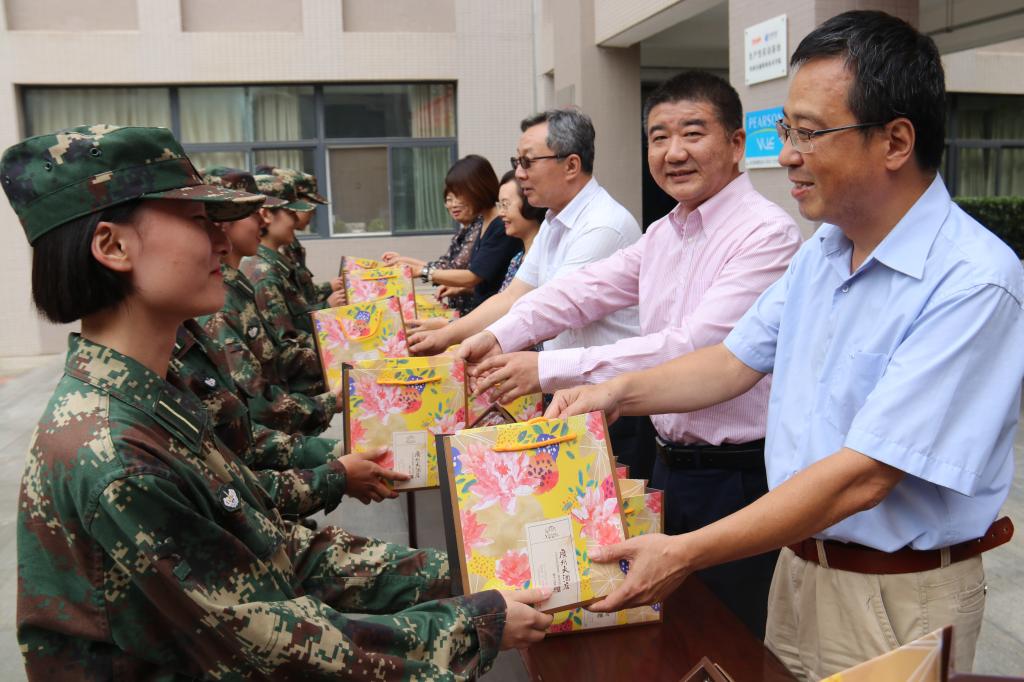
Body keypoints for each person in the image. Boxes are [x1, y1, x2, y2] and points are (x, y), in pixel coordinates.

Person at [546, 11, 1022, 679]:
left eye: (809, 133)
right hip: (799, 571)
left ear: (895, 141)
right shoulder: (823, 251)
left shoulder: (973, 281)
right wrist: (613, 393)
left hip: (893, 595)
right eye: (787, 131)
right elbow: (730, 362)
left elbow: (864, 476)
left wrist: (686, 552)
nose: (788, 155)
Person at [5, 124, 553, 680]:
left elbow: (274, 551)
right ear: (113, 246)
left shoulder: (153, 399)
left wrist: (467, 569)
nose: (223, 243)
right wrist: (469, 624)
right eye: (198, 222)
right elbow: (268, 645)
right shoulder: (117, 457)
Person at [465, 71, 803, 638]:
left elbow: (696, 346)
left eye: (692, 133)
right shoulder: (665, 231)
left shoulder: (767, 233)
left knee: (731, 635)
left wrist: (547, 367)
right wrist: (503, 335)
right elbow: (584, 289)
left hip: (738, 477)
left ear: (737, 143)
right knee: (669, 631)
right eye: (658, 137)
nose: (673, 152)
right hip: (668, 462)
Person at [408, 108, 644, 460]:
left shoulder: (602, 226)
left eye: (528, 162)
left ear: (571, 165)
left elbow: (555, 308)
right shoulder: (553, 220)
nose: (519, 174)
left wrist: (487, 340)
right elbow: (515, 295)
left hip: (609, 397)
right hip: (567, 387)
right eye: (516, 162)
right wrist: (449, 335)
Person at [199, 167, 340, 436]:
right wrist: (329, 400)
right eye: (252, 213)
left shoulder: (237, 284)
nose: (261, 223)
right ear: (221, 222)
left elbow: (276, 357)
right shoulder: (223, 298)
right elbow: (259, 406)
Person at [409, 170, 545, 334]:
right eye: (449, 199)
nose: (501, 213)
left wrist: (447, 327)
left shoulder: (543, 258)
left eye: (506, 205)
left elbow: (477, 280)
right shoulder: (518, 257)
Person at [382, 154, 517, 315]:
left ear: (477, 189)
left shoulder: (500, 226)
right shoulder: (484, 222)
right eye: (450, 198)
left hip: (492, 316)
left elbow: (472, 276)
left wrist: (422, 271)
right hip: (483, 312)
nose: (455, 203)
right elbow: (487, 278)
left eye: (459, 195)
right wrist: (460, 288)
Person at [240, 173, 326, 397]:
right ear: (267, 214)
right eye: (290, 213)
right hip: (292, 395)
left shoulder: (272, 263)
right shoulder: (263, 273)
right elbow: (284, 351)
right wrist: (342, 346)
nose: (296, 221)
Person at [255, 165, 345, 310]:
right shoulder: (263, 269)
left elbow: (301, 300)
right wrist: (325, 307)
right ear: (266, 214)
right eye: (291, 212)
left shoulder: (285, 246)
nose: (312, 212)